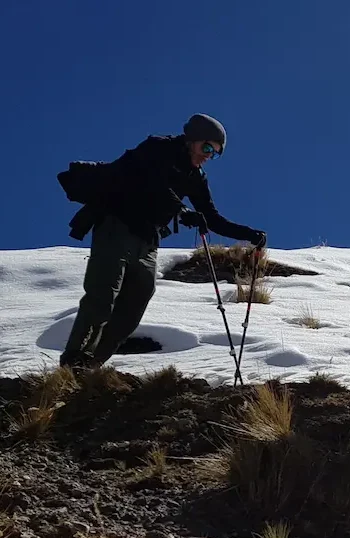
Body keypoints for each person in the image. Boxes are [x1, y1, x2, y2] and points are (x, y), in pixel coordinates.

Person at [57, 114, 266, 370]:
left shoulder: (195, 177)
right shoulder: (157, 148)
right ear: (193, 139)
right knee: (102, 295)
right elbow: (152, 183)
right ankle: (73, 360)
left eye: (215, 153)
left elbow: (211, 217)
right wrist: (183, 212)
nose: (208, 156)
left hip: (148, 242)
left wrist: (250, 234)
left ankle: (91, 365)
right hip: (117, 225)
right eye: (207, 148)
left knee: (135, 305)